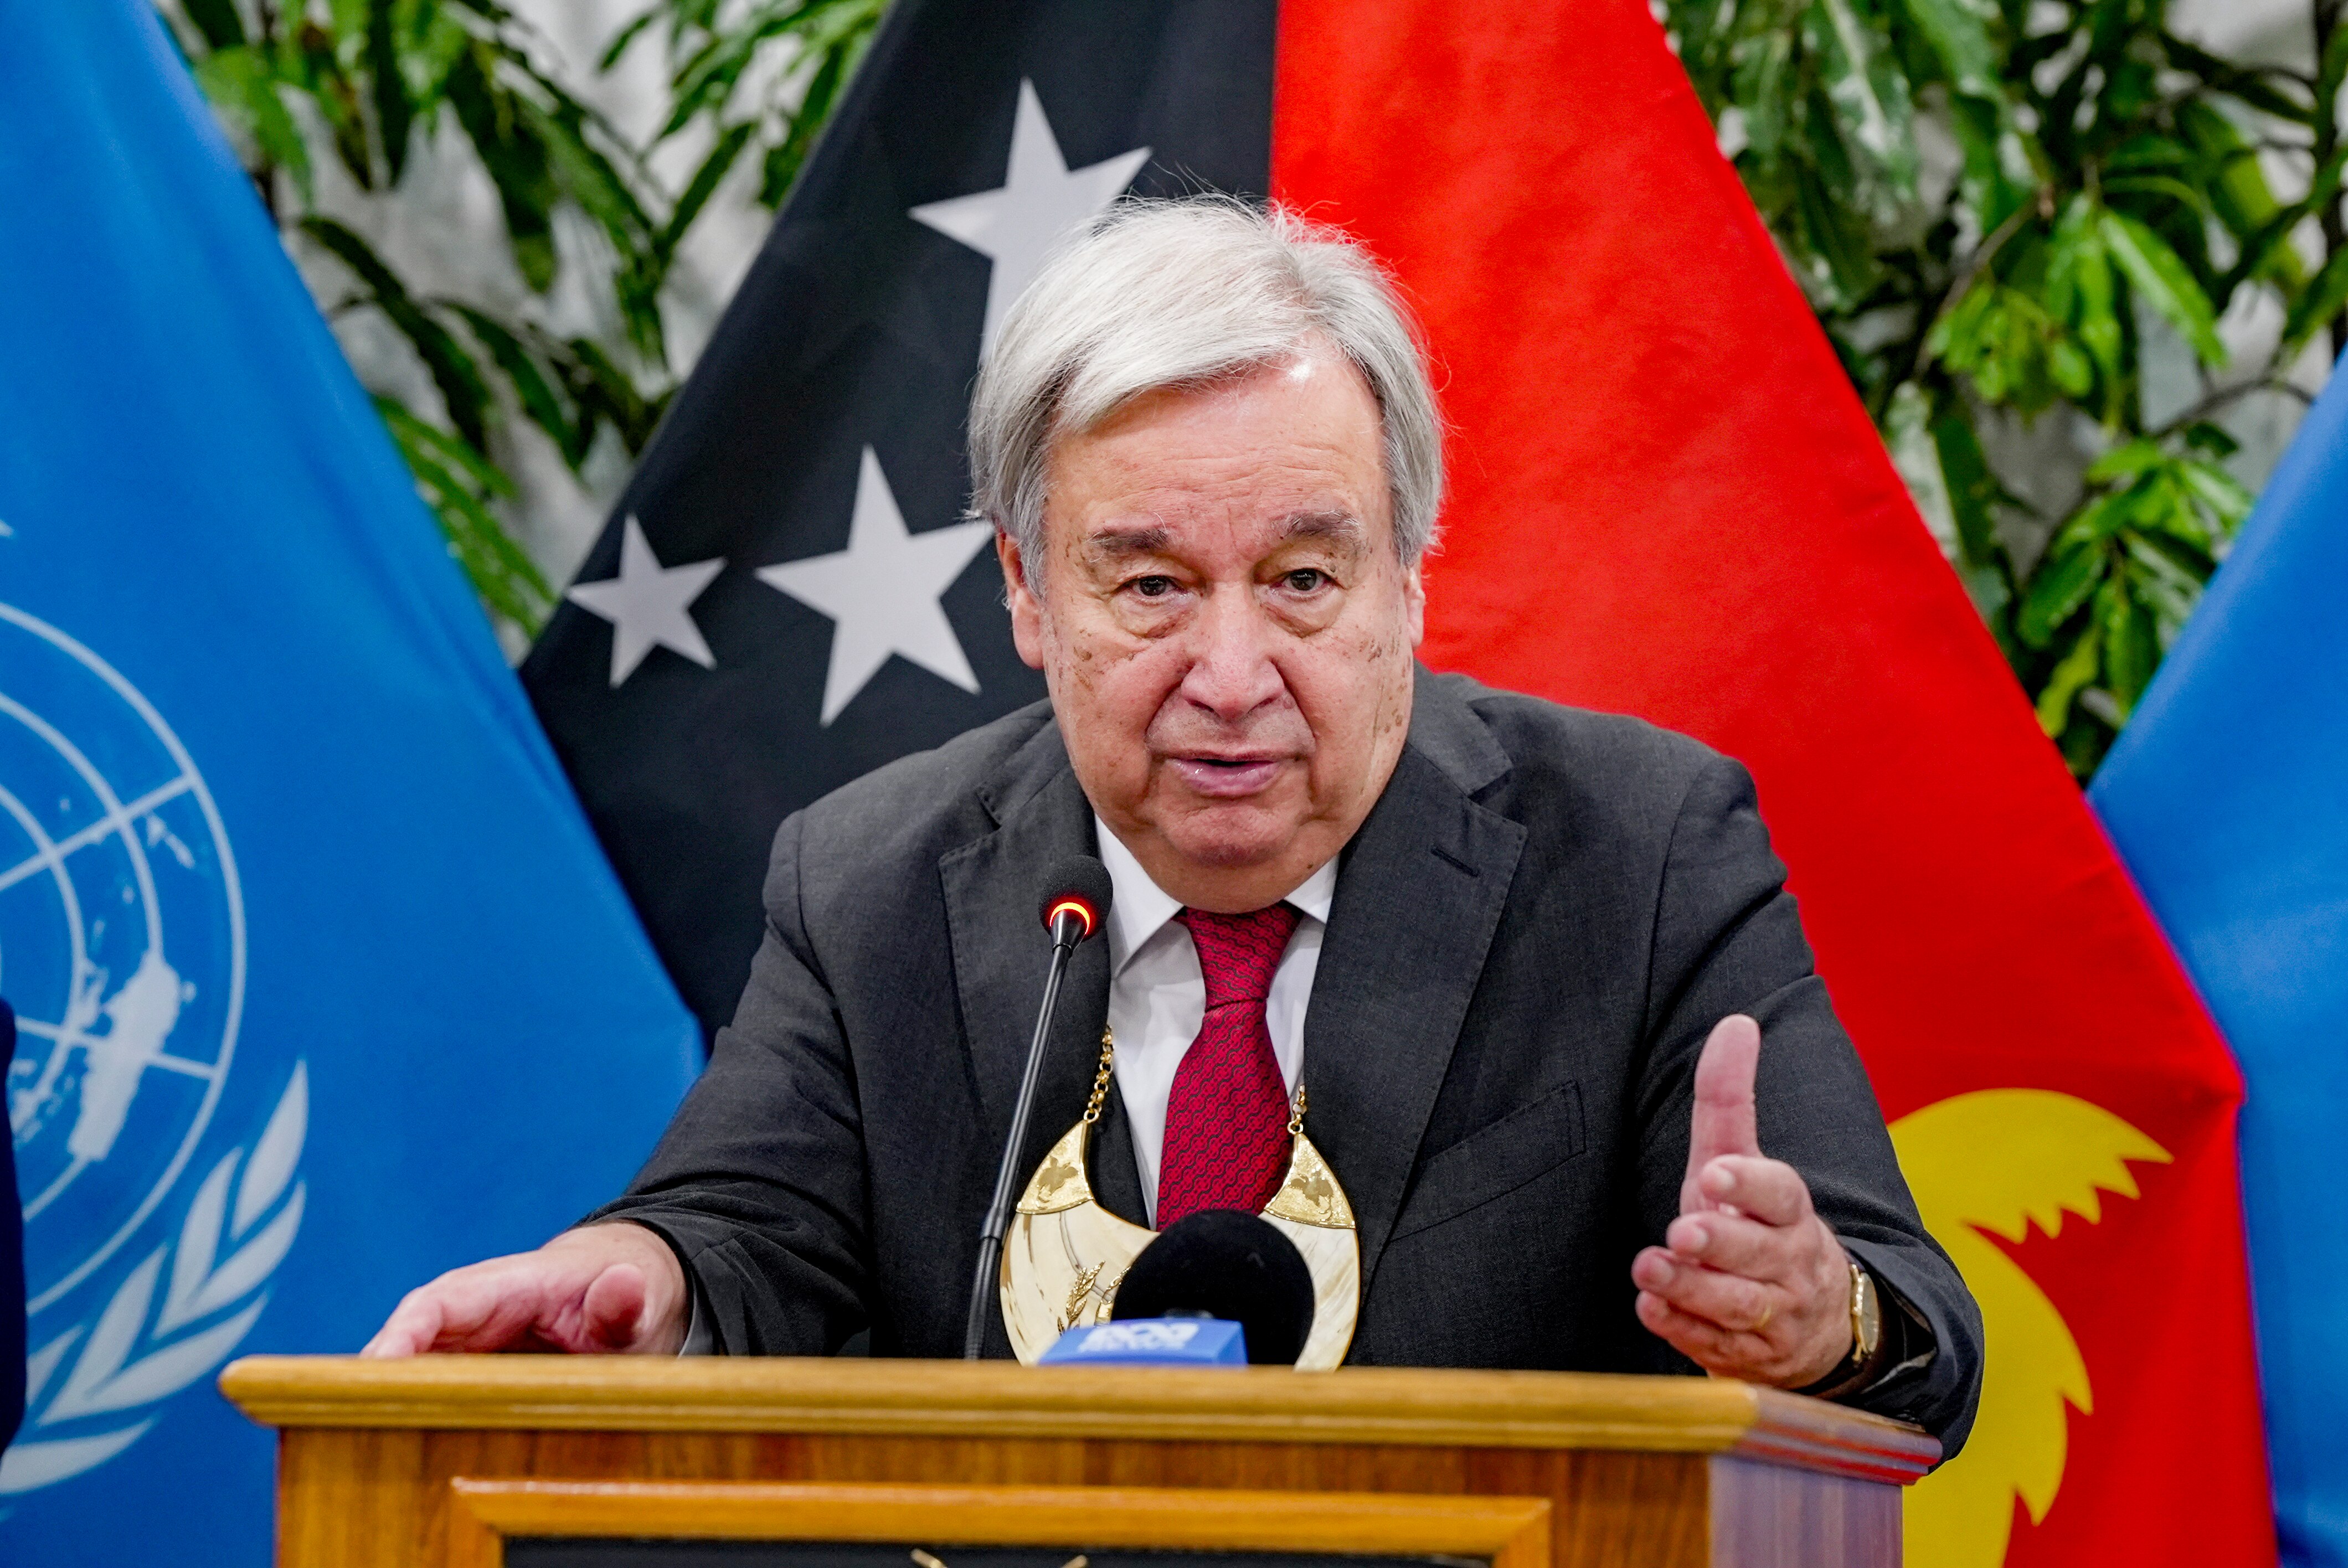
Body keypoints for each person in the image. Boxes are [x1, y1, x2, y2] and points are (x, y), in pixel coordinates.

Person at [365, 199, 1983, 1451]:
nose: (1230, 674)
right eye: (1148, 586)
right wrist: (643, 1280)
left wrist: (1817, 1315)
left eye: (1302, 579)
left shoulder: (1641, 853)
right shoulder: (872, 879)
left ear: (1409, 581)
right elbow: (743, 1227)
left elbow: (1919, 1329)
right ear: (1026, 592)